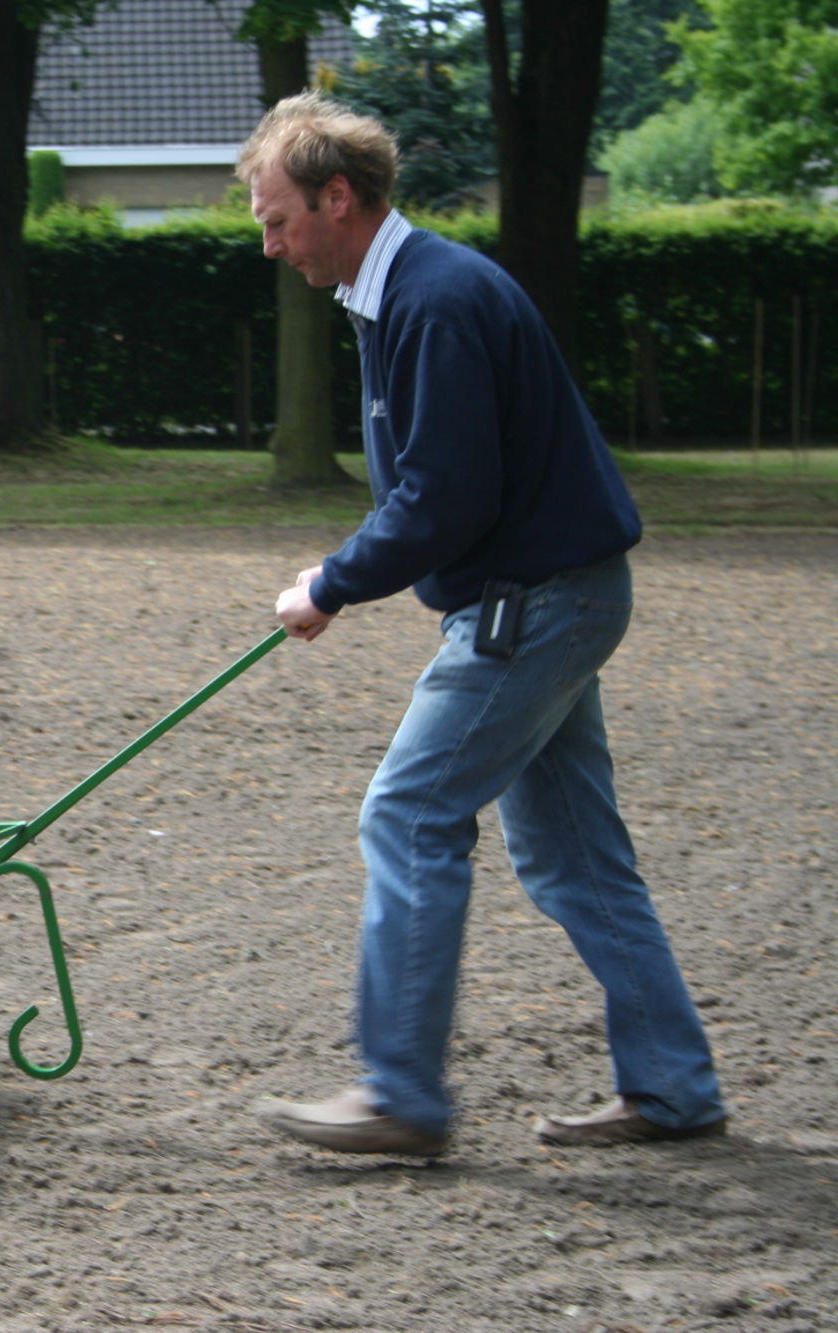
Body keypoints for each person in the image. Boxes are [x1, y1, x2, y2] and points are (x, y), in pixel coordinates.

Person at [236, 92, 726, 1157]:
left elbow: (440, 497)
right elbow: (435, 489)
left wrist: (329, 583)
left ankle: (399, 1095)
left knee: (407, 815)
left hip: (531, 606)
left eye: (276, 219)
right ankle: (674, 1087)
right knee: (572, 858)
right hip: (553, 593)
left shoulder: (433, 301)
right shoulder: (398, 296)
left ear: (335, 198)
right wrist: (349, 571)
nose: (267, 242)